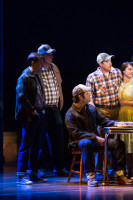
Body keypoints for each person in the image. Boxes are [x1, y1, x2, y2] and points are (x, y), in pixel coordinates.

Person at [65, 84, 133, 187]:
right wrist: (95, 137)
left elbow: (103, 121)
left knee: (118, 143)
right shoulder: (70, 113)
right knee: (86, 143)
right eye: (87, 94)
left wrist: (117, 123)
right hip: (78, 141)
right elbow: (76, 133)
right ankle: (91, 175)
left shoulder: (91, 109)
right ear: (80, 96)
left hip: (94, 140)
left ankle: (120, 175)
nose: (90, 95)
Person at [15, 52, 48, 184]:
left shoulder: (36, 75)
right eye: (40, 62)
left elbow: (39, 94)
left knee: (36, 145)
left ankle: (33, 174)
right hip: (30, 115)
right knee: (26, 144)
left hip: (39, 114)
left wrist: (42, 109)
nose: (42, 65)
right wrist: (33, 110)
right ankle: (21, 175)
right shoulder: (24, 77)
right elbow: (22, 97)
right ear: (33, 63)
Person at [37, 44, 68, 178]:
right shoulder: (36, 70)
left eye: (51, 54)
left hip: (55, 108)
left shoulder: (54, 67)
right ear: (42, 56)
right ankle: (40, 168)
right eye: (48, 54)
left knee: (58, 139)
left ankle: (59, 167)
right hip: (42, 110)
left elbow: (58, 86)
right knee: (41, 141)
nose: (51, 56)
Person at [86, 52, 133, 120]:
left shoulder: (117, 72)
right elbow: (89, 96)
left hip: (116, 110)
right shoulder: (92, 77)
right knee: (104, 130)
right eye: (107, 62)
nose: (110, 63)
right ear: (100, 64)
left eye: (110, 61)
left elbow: (128, 78)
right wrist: (94, 111)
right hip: (101, 111)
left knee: (116, 129)